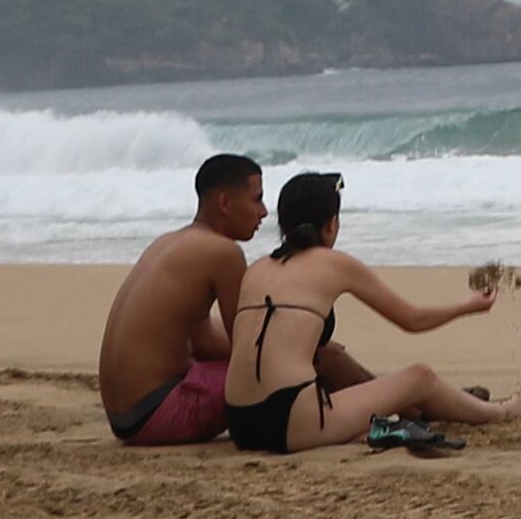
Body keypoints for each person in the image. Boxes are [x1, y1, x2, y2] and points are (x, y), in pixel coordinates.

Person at [220, 169, 521, 455]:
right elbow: (412, 320)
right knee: (420, 377)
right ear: (330, 224)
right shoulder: (334, 264)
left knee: (328, 356)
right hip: (289, 422)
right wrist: (468, 306)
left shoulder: (257, 268)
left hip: (240, 422)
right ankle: (503, 412)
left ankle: (416, 411)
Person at [98, 151, 372, 445]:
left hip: (127, 416)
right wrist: (304, 351)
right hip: (161, 413)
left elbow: (203, 340)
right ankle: (385, 406)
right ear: (225, 203)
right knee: (318, 359)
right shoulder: (224, 253)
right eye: (257, 199)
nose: (264, 212)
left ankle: (369, 403)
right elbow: (249, 353)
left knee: (300, 355)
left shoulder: (170, 242)